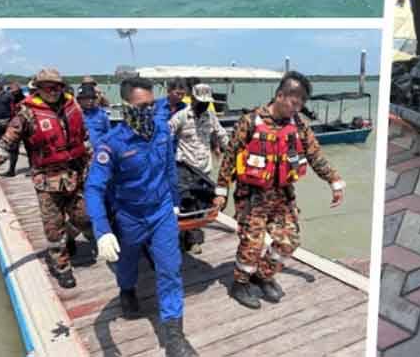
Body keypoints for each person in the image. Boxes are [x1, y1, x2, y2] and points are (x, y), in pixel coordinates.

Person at [84, 77, 198, 357]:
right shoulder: (111, 144)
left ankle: (174, 337)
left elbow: (169, 169)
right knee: (127, 263)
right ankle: (127, 291)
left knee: (170, 269)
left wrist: (175, 203)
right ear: (125, 106)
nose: (147, 111)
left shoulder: (162, 131)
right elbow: (94, 188)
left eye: (151, 105)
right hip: (130, 216)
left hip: (161, 212)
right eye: (140, 106)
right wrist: (103, 230)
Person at [214, 71, 344, 309]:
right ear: (280, 95)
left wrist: (334, 181)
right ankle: (240, 283)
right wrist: (221, 192)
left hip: (282, 197)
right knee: (252, 244)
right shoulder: (250, 121)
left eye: (301, 104)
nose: (297, 108)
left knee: (289, 241)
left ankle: (262, 275)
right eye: (294, 102)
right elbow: (230, 157)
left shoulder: (299, 125)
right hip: (252, 197)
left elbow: (315, 155)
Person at [0, 68, 94, 289]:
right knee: (53, 227)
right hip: (47, 180)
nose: (54, 91)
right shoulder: (26, 113)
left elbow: (84, 138)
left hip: (76, 174)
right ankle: (61, 266)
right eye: (48, 87)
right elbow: (6, 143)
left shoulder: (72, 105)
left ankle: (68, 237)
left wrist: (96, 165)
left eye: (58, 87)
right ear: (38, 89)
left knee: (85, 218)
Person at [168, 83, 229, 254]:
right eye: (201, 102)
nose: (203, 105)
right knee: (185, 204)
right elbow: (166, 134)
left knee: (200, 205)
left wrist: (233, 151)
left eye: (206, 102)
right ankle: (180, 239)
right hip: (185, 167)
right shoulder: (181, 116)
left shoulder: (211, 117)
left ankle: (193, 240)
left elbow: (221, 135)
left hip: (204, 169)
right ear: (193, 99)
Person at [77, 83, 110, 148]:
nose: (90, 101)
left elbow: (108, 134)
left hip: (99, 151)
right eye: (86, 98)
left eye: (92, 98)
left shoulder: (102, 114)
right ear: (80, 100)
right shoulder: (75, 115)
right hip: (81, 151)